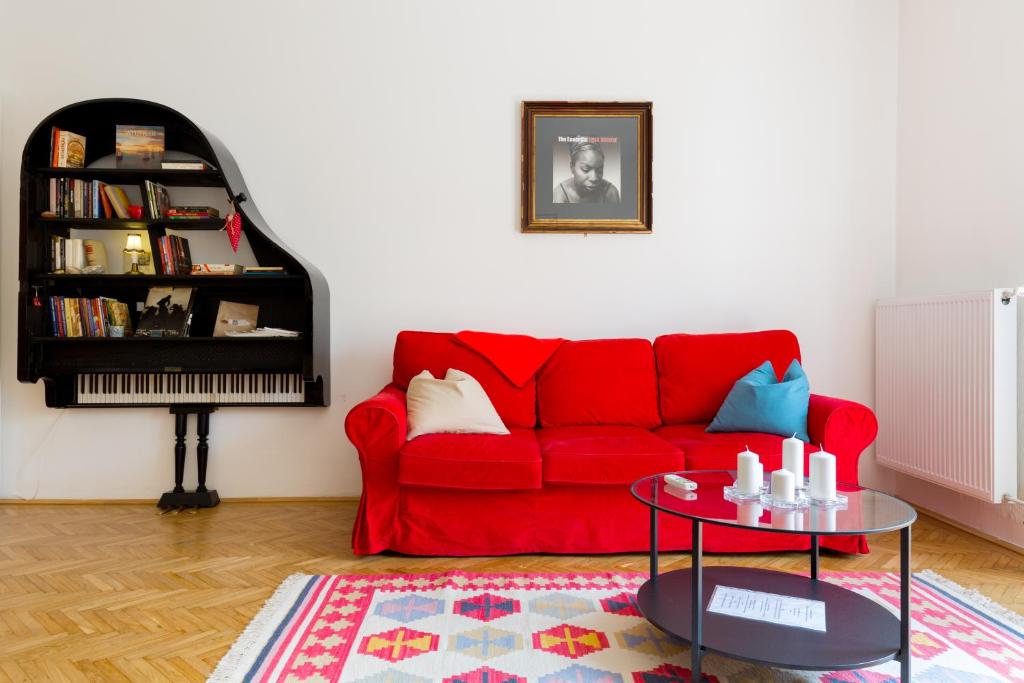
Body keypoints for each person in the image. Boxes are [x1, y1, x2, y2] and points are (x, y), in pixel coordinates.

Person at [553, 139, 620, 203]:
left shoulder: (610, 192)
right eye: (586, 169)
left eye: (599, 170)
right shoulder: (561, 193)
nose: (594, 178)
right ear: (572, 167)